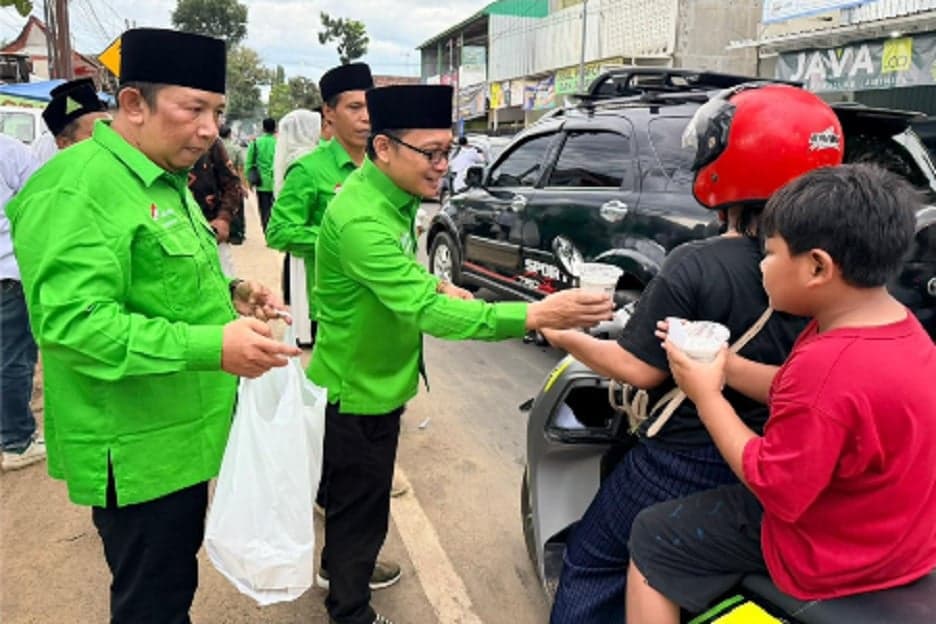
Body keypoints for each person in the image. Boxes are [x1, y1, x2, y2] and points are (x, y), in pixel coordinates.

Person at [6, 28, 301, 623]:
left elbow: (166, 278)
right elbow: (73, 325)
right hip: (136, 449)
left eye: (216, 111)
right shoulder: (76, 187)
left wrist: (235, 293)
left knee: (171, 588)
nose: (209, 128)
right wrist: (212, 345)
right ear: (134, 105)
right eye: (192, 109)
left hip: (180, 435)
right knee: (152, 603)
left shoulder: (165, 179)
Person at [310, 83, 614, 624]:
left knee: (357, 499)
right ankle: (349, 607)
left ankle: (341, 568)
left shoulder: (389, 198)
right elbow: (427, 313)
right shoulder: (361, 219)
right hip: (357, 388)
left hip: (379, 375)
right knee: (362, 503)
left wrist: (439, 286)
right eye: (430, 153)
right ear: (384, 148)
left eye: (447, 151)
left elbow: (400, 288)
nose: (442, 166)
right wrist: (538, 314)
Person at [544, 83, 844, 623]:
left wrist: (561, 334)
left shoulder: (700, 263)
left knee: (591, 559)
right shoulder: (844, 273)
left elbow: (640, 371)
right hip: (783, 466)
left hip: (687, 459)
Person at [627, 163, 936, 623]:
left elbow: (774, 486)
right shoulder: (899, 329)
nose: (762, 266)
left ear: (817, 266)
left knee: (651, 535)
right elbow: (793, 392)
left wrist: (706, 394)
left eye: (768, 254)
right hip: (896, 540)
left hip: (830, 556)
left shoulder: (827, 368)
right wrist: (725, 365)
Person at [267, 62, 373, 344]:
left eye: (369, 106)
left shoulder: (385, 165)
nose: (366, 117)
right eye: (354, 108)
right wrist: (338, 239)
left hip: (384, 301)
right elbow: (278, 231)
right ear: (328, 113)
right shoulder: (309, 170)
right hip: (336, 308)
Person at [0, 133, 42, 471]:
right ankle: (16, 442)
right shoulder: (9, 150)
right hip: (8, 270)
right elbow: (39, 205)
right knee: (13, 359)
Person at [272, 108, 321, 345]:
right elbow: (279, 230)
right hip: (308, 239)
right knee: (305, 288)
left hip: (302, 239)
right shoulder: (307, 163)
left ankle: (303, 332)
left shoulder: (293, 157)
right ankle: (305, 333)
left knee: (301, 288)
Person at [188, 137, 245, 275]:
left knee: (224, 286)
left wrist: (223, 218)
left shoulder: (210, 142)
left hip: (211, 231)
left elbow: (232, 184)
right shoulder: (148, 145)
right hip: (169, 236)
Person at [33, 77, 110, 163]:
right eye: (95, 134)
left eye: (108, 130)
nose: (107, 139)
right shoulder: (43, 147)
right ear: (64, 143)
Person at [219, 123, 247, 248]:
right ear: (230, 134)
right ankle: (237, 234)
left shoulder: (215, 148)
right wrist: (243, 185)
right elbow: (240, 169)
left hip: (218, 183)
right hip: (233, 182)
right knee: (237, 208)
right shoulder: (235, 148)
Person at [246, 116, 277, 232]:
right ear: (275, 128)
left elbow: (249, 163)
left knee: (264, 208)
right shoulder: (278, 143)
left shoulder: (256, 143)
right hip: (277, 181)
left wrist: (249, 180)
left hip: (261, 183)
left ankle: (267, 231)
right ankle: (275, 230)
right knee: (276, 208)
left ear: (263, 128)